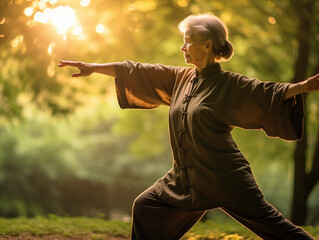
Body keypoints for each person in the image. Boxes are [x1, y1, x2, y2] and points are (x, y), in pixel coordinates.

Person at [59, 13, 319, 240]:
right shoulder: (180, 78)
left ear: (207, 45)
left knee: (275, 228)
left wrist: (302, 87)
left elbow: (265, 92)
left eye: (188, 41)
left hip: (225, 177)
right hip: (184, 179)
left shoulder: (229, 85)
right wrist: (93, 67)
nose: (182, 47)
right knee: (146, 206)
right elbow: (137, 71)